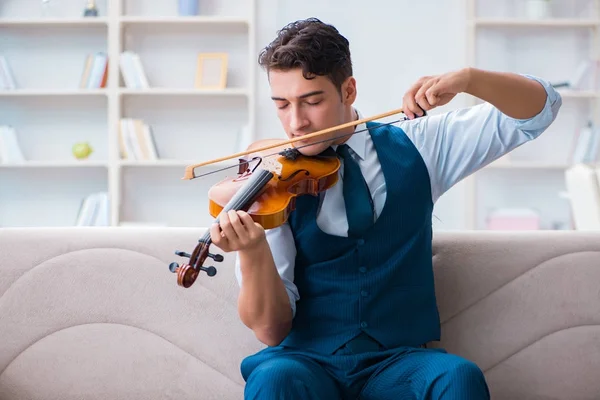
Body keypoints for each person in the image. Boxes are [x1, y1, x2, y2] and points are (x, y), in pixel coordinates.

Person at [209, 17, 562, 400]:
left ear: (349, 90)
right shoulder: (271, 182)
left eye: (312, 101)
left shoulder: (421, 147)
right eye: (282, 105)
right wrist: (253, 250)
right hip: (305, 362)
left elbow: (540, 110)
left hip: (398, 362)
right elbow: (270, 330)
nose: (296, 123)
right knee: (274, 379)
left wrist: (470, 80)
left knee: (458, 377)